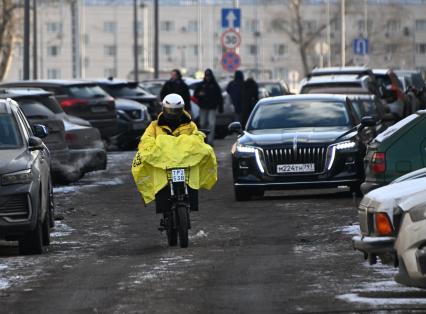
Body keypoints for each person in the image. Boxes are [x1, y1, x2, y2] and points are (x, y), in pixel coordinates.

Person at [193, 69, 223, 145]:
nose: (208, 78)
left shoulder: (215, 85)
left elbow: (219, 97)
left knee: (211, 124)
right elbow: (195, 94)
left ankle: (210, 141)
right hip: (203, 107)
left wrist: (220, 106)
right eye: (206, 76)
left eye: (209, 76)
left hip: (212, 107)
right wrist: (200, 94)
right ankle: (203, 139)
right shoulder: (201, 85)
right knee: (202, 123)